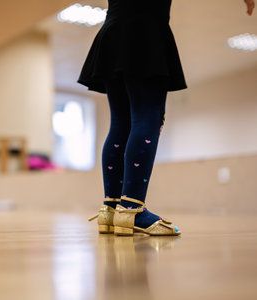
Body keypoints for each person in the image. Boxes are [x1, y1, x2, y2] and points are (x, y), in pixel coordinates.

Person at [83, 0, 254, 236]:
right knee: (147, 117)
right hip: (144, 30)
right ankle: (132, 209)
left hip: (113, 31)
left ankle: (111, 209)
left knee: (121, 123)